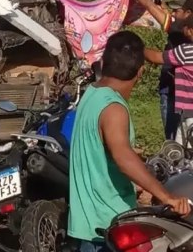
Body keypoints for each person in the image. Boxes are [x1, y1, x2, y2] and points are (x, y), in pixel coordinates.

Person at [68, 30, 190, 251]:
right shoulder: (114, 109)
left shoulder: (92, 93)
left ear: (103, 63)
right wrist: (166, 197)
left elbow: (106, 148)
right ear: (141, 71)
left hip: (87, 222)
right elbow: (123, 158)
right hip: (107, 223)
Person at [130, 0, 193, 139]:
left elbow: (150, 6)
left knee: (176, 136)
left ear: (188, 14)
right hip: (182, 95)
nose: (172, 13)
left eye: (177, 10)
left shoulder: (179, 30)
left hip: (175, 92)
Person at [143, 14, 193, 145]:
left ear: (191, 30)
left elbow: (156, 57)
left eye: (185, 27)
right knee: (181, 149)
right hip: (186, 112)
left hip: (189, 112)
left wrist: (139, 48)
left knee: (186, 151)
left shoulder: (186, 51)